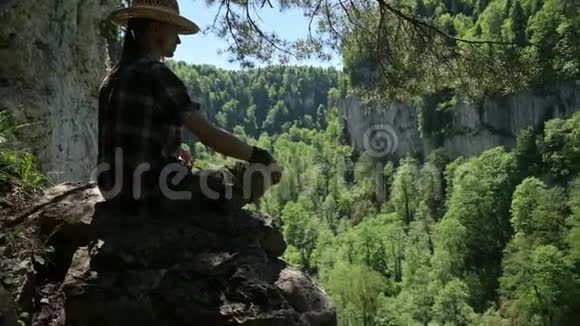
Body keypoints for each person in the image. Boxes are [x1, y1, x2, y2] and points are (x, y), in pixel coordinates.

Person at [96, 0, 281, 212]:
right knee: (240, 177)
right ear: (155, 28)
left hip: (113, 192)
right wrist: (259, 156)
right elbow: (208, 134)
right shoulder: (157, 75)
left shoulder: (111, 79)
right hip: (151, 195)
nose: (178, 41)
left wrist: (173, 149)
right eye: (175, 32)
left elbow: (128, 138)